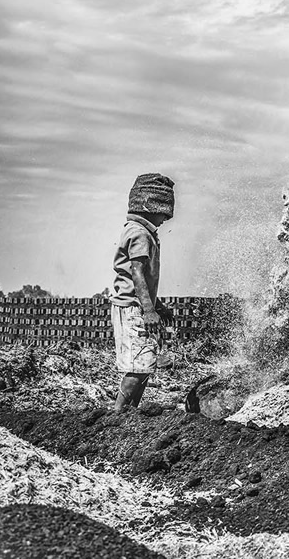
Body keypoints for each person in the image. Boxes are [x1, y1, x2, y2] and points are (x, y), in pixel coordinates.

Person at [110, 173, 176, 412]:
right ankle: (118, 415)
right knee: (138, 369)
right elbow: (136, 272)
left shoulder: (139, 231)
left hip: (135, 306)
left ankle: (131, 414)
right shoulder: (140, 233)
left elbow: (142, 278)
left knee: (144, 366)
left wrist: (157, 306)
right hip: (133, 309)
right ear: (151, 206)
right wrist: (149, 310)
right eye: (163, 214)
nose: (164, 220)